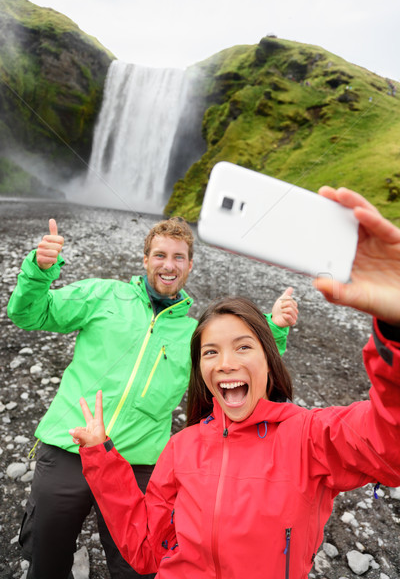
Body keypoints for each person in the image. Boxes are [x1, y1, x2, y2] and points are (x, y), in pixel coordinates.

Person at [70, 186, 400, 579]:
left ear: (268, 360)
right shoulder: (181, 448)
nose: (225, 363)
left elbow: (389, 442)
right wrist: (102, 459)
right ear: (200, 372)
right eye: (210, 352)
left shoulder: (310, 437)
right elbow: (145, 551)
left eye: (243, 347)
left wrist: (394, 326)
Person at [7, 215, 298, 579]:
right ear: (145, 259)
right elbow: (28, 313)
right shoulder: (103, 295)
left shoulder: (195, 333)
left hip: (140, 464)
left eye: (178, 257)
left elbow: (240, 372)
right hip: (69, 447)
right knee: (46, 562)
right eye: (160, 255)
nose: (168, 264)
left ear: (190, 265)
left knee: (138, 568)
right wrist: (40, 269)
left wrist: (275, 330)